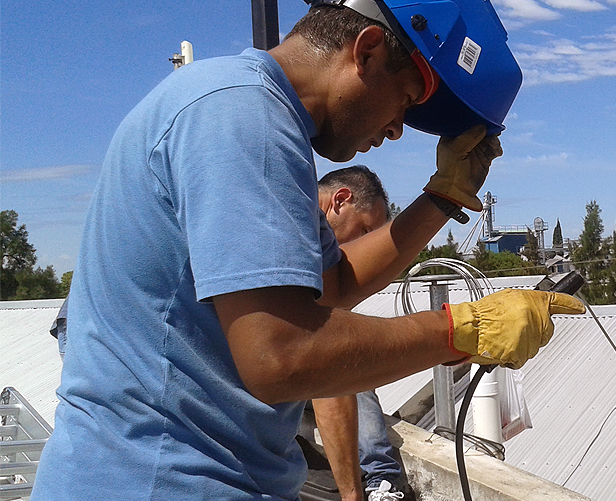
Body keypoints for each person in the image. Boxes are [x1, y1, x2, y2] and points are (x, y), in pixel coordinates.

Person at [31, 0, 584, 499]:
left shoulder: (248, 110)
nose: (396, 130)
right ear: (366, 52)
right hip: (162, 480)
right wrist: (463, 330)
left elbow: (333, 285)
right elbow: (282, 355)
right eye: (405, 102)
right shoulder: (242, 116)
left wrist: (441, 198)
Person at [312, 166, 407, 501]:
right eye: (364, 229)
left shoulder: (320, 244)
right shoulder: (300, 227)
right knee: (348, 362)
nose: (365, 244)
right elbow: (328, 362)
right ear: (340, 200)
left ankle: (380, 478)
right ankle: (381, 480)